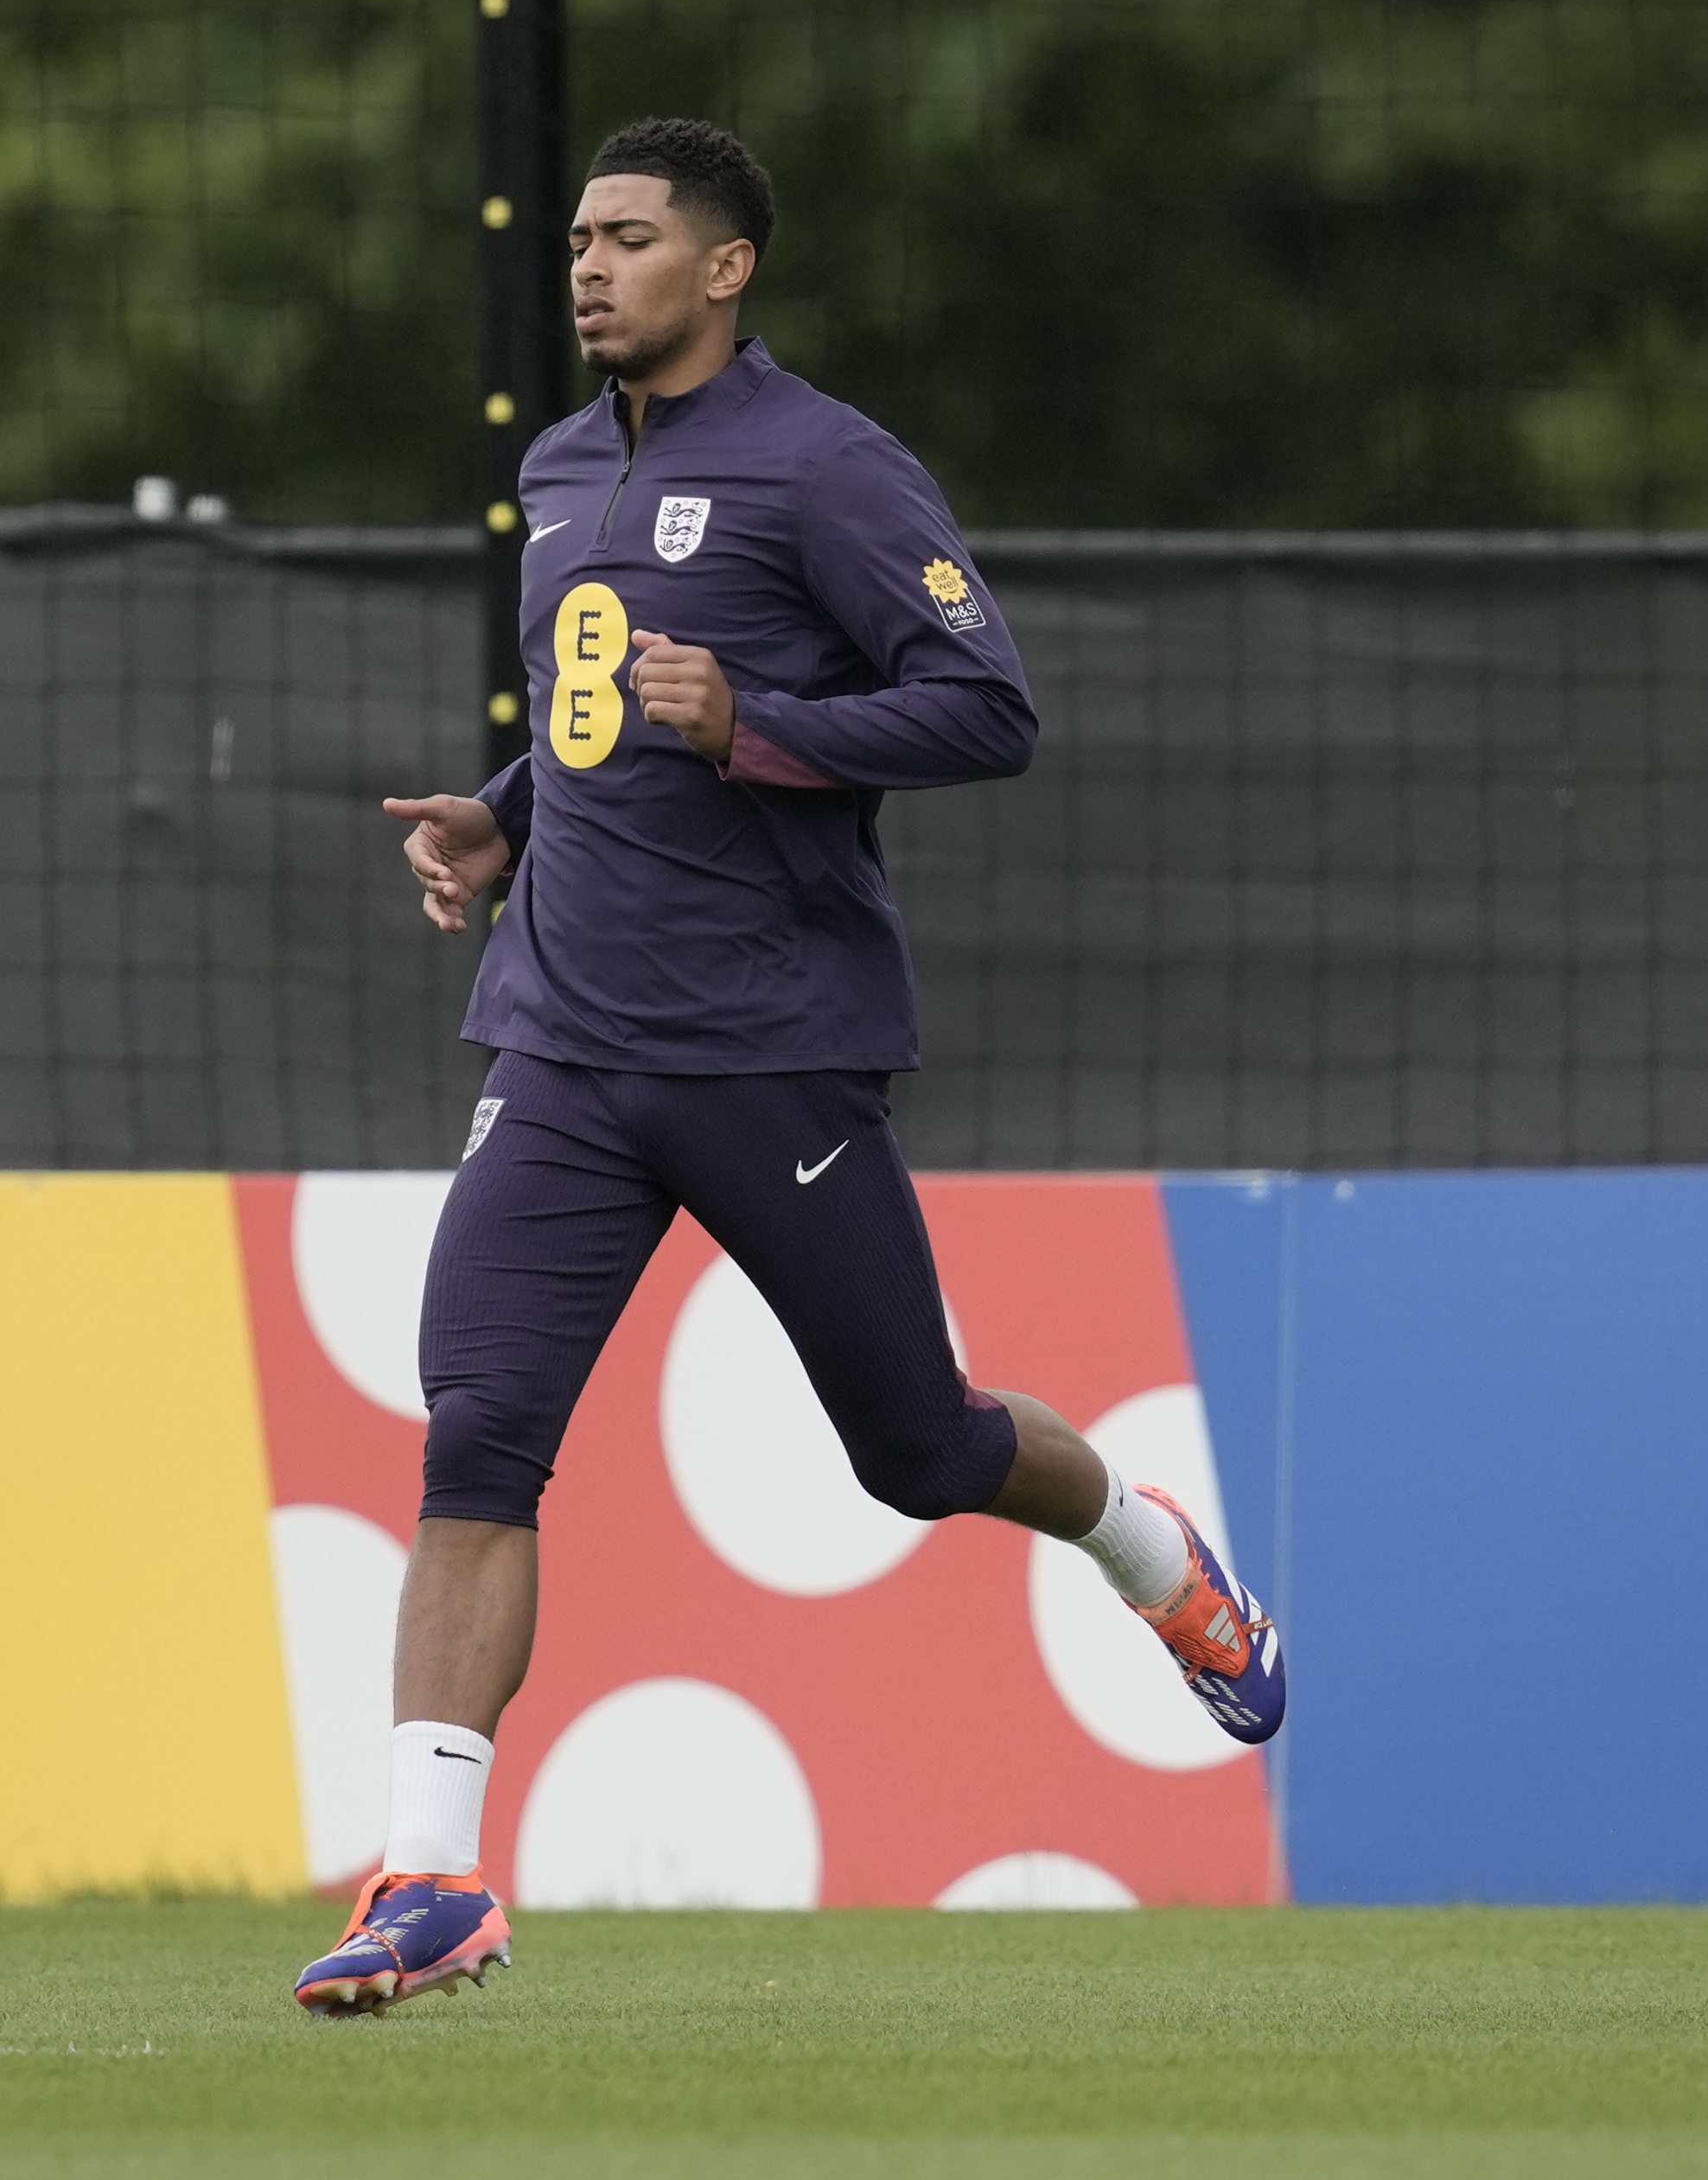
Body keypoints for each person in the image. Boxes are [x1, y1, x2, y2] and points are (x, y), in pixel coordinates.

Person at [291, 118, 1285, 2019]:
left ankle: (1154, 1555)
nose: (589, 268)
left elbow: (987, 709)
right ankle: (429, 1878)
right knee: (478, 1438)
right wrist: (506, 817)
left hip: (767, 1053)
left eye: (629, 238)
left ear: (727, 267)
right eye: (577, 240)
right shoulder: (559, 463)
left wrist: (758, 723)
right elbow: (592, 707)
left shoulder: (828, 465)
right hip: (559, 1043)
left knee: (918, 1451)